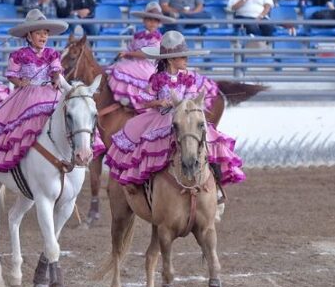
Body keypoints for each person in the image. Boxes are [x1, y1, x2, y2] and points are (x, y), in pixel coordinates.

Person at [104, 30, 245, 187]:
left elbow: (191, 97)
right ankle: (146, 183)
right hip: (161, 117)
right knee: (145, 143)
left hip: (183, 115)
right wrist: (158, 103)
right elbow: (145, 100)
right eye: (183, 57)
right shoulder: (158, 79)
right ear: (171, 59)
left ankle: (214, 182)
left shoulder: (187, 77)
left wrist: (183, 104)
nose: (187, 60)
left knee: (208, 139)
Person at [0, 9, 70, 171]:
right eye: (38, 33)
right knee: (19, 125)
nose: (43, 37)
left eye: (45, 33)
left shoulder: (52, 53)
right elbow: (11, 75)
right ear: (29, 36)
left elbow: (56, 71)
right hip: (28, 94)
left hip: (49, 91)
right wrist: (20, 82)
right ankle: (23, 158)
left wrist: (57, 78)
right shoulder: (19, 54)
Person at [106, 1, 176, 110]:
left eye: (155, 21)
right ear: (144, 20)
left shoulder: (157, 39)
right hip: (133, 62)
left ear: (159, 23)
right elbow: (130, 48)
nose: (152, 23)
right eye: (149, 20)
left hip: (146, 66)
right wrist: (125, 54)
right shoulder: (138, 36)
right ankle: (123, 97)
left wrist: (128, 53)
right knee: (115, 67)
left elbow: (147, 53)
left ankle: (134, 100)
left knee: (123, 68)